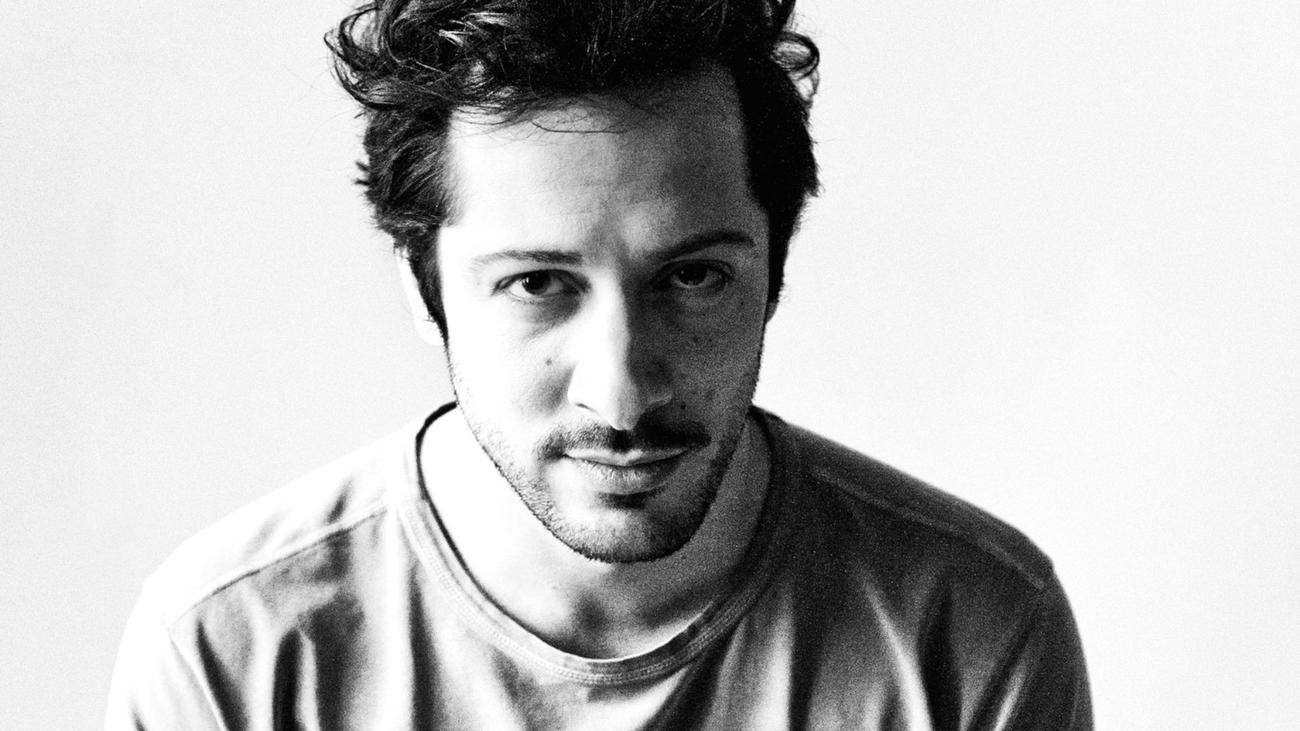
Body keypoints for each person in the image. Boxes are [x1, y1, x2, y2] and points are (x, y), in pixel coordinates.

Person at [107, 0, 1092, 727]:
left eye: (693, 277)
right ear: (422, 286)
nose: (621, 394)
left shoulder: (969, 631)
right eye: (538, 284)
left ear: (775, 268)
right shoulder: (234, 648)